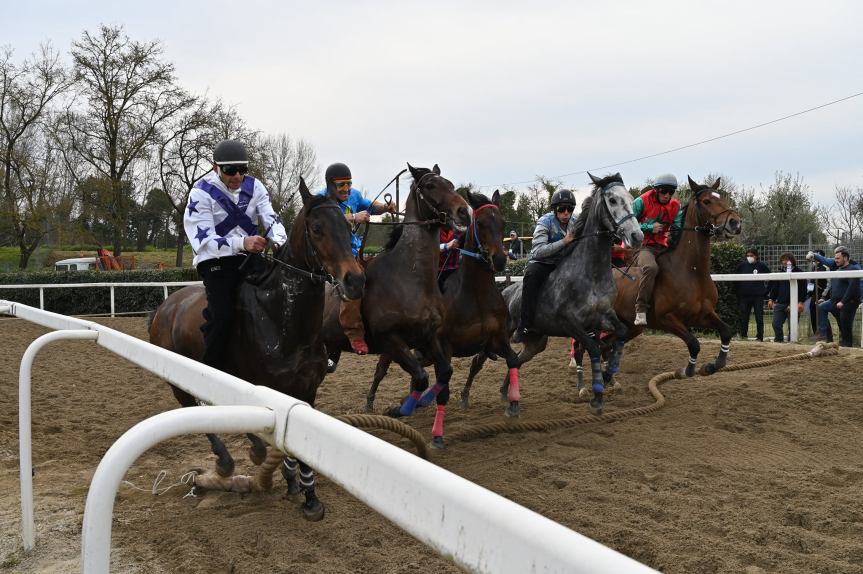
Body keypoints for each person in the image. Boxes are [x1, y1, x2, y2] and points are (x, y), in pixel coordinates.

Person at [184, 139, 288, 370]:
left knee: (286, 296)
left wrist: (280, 242)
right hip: (216, 262)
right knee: (222, 314)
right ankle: (210, 373)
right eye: (230, 170)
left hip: (250, 258)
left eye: (243, 170)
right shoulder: (200, 193)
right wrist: (242, 242)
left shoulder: (256, 186)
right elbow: (203, 242)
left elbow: (272, 218)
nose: (238, 176)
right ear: (215, 168)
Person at [319, 162, 395, 355]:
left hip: (353, 250)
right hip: (333, 254)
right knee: (355, 280)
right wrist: (354, 217)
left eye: (349, 183)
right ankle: (354, 334)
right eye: (341, 185)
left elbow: (371, 206)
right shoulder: (321, 199)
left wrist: (385, 207)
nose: (346, 189)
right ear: (330, 185)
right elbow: (327, 219)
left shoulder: (354, 195)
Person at [512, 189, 577, 342]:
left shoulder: (576, 221)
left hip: (564, 263)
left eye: (570, 209)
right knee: (531, 275)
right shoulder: (544, 221)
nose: (566, 213)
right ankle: (525, 325)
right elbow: (538, 251)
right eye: (562, 209)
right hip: (542, 262)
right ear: (554, 210)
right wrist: (564, 242)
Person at [632, 173, 683, 325]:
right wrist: (648, 227)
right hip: (642, 247)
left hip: (663, 247)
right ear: (656, 190)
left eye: (671, 192)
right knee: (651, 267)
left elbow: (677, 228)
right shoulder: (640, 201)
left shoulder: (676, 206)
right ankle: (640, 309)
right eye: (664, 191)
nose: (667, 195)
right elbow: (628, 224)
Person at [808, 246, 861, 347]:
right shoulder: (836, 269)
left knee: (845, 328)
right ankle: (823, 337)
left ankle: (846, 346)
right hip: (834, 301)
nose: (835, 260)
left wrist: (843, 302)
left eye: (838, 258)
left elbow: (853, 289)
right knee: (821, 307)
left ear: (845, 258)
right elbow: (834, 287)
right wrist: (824, 298)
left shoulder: (853, 269)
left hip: (848, 303)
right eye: (835, 258)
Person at [766, 253, 806, 343]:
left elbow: (803, 289)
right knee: (776, 324)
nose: (784, 262)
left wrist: (800, 302)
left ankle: (792, 342)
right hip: (781, 303)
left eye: (787, 259)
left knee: (792, 326)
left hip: (795, 303)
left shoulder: (800, 273)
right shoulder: (779, 274)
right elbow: (775, 288)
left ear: (792, 261)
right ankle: (779, 340)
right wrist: (771, 299)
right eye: (783, 260)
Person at [734, 247, 771, 341]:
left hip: (758, 296)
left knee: (759, 317)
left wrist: (765, 292)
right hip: (744, 296)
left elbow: (771, 278)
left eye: (751, 255)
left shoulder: (762, 266)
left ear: (756, 256)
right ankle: (743, 336)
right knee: (744, 317)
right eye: (748, 255)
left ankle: (760, 337)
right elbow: (736, 280)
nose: (749, 257)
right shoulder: (741, 266)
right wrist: (739, 293)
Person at [805, 249, 831, 339]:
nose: (815, 260)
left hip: (822, 295)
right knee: (813, 313)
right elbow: (811, 282)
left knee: (822, 314)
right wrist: (809, 293)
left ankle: (827, 335)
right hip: (814, 295)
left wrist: (824, 295)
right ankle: (816, 333)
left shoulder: (825, 267)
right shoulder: (813, 267)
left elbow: (829, 283)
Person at [438, 227, 460, 292]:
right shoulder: (434, 231)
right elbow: (431, 248)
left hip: (454, 270)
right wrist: (446, 246)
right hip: (438, 271)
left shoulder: (457, 230)